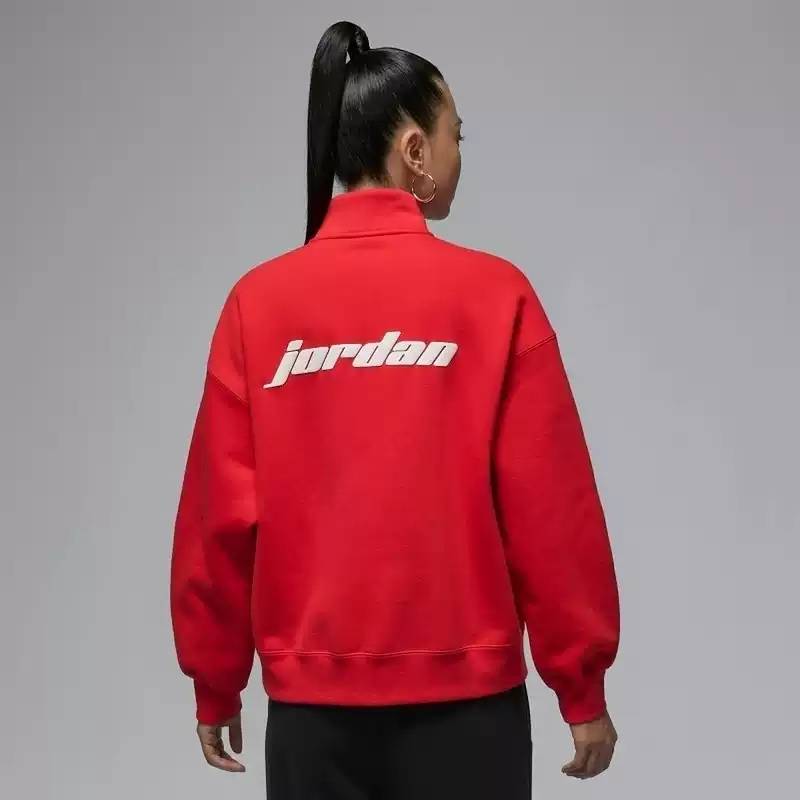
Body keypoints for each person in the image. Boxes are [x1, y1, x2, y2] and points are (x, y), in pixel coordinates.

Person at [169, 19, 621, 799]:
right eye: (454, 135)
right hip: (470, 716)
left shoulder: (259, 304)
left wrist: (216, 681)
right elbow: (551, 509)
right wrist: (580, 684)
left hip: (312, 723)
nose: (457, 154)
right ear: (414, 150)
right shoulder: (495, 296)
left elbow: (217, 518)